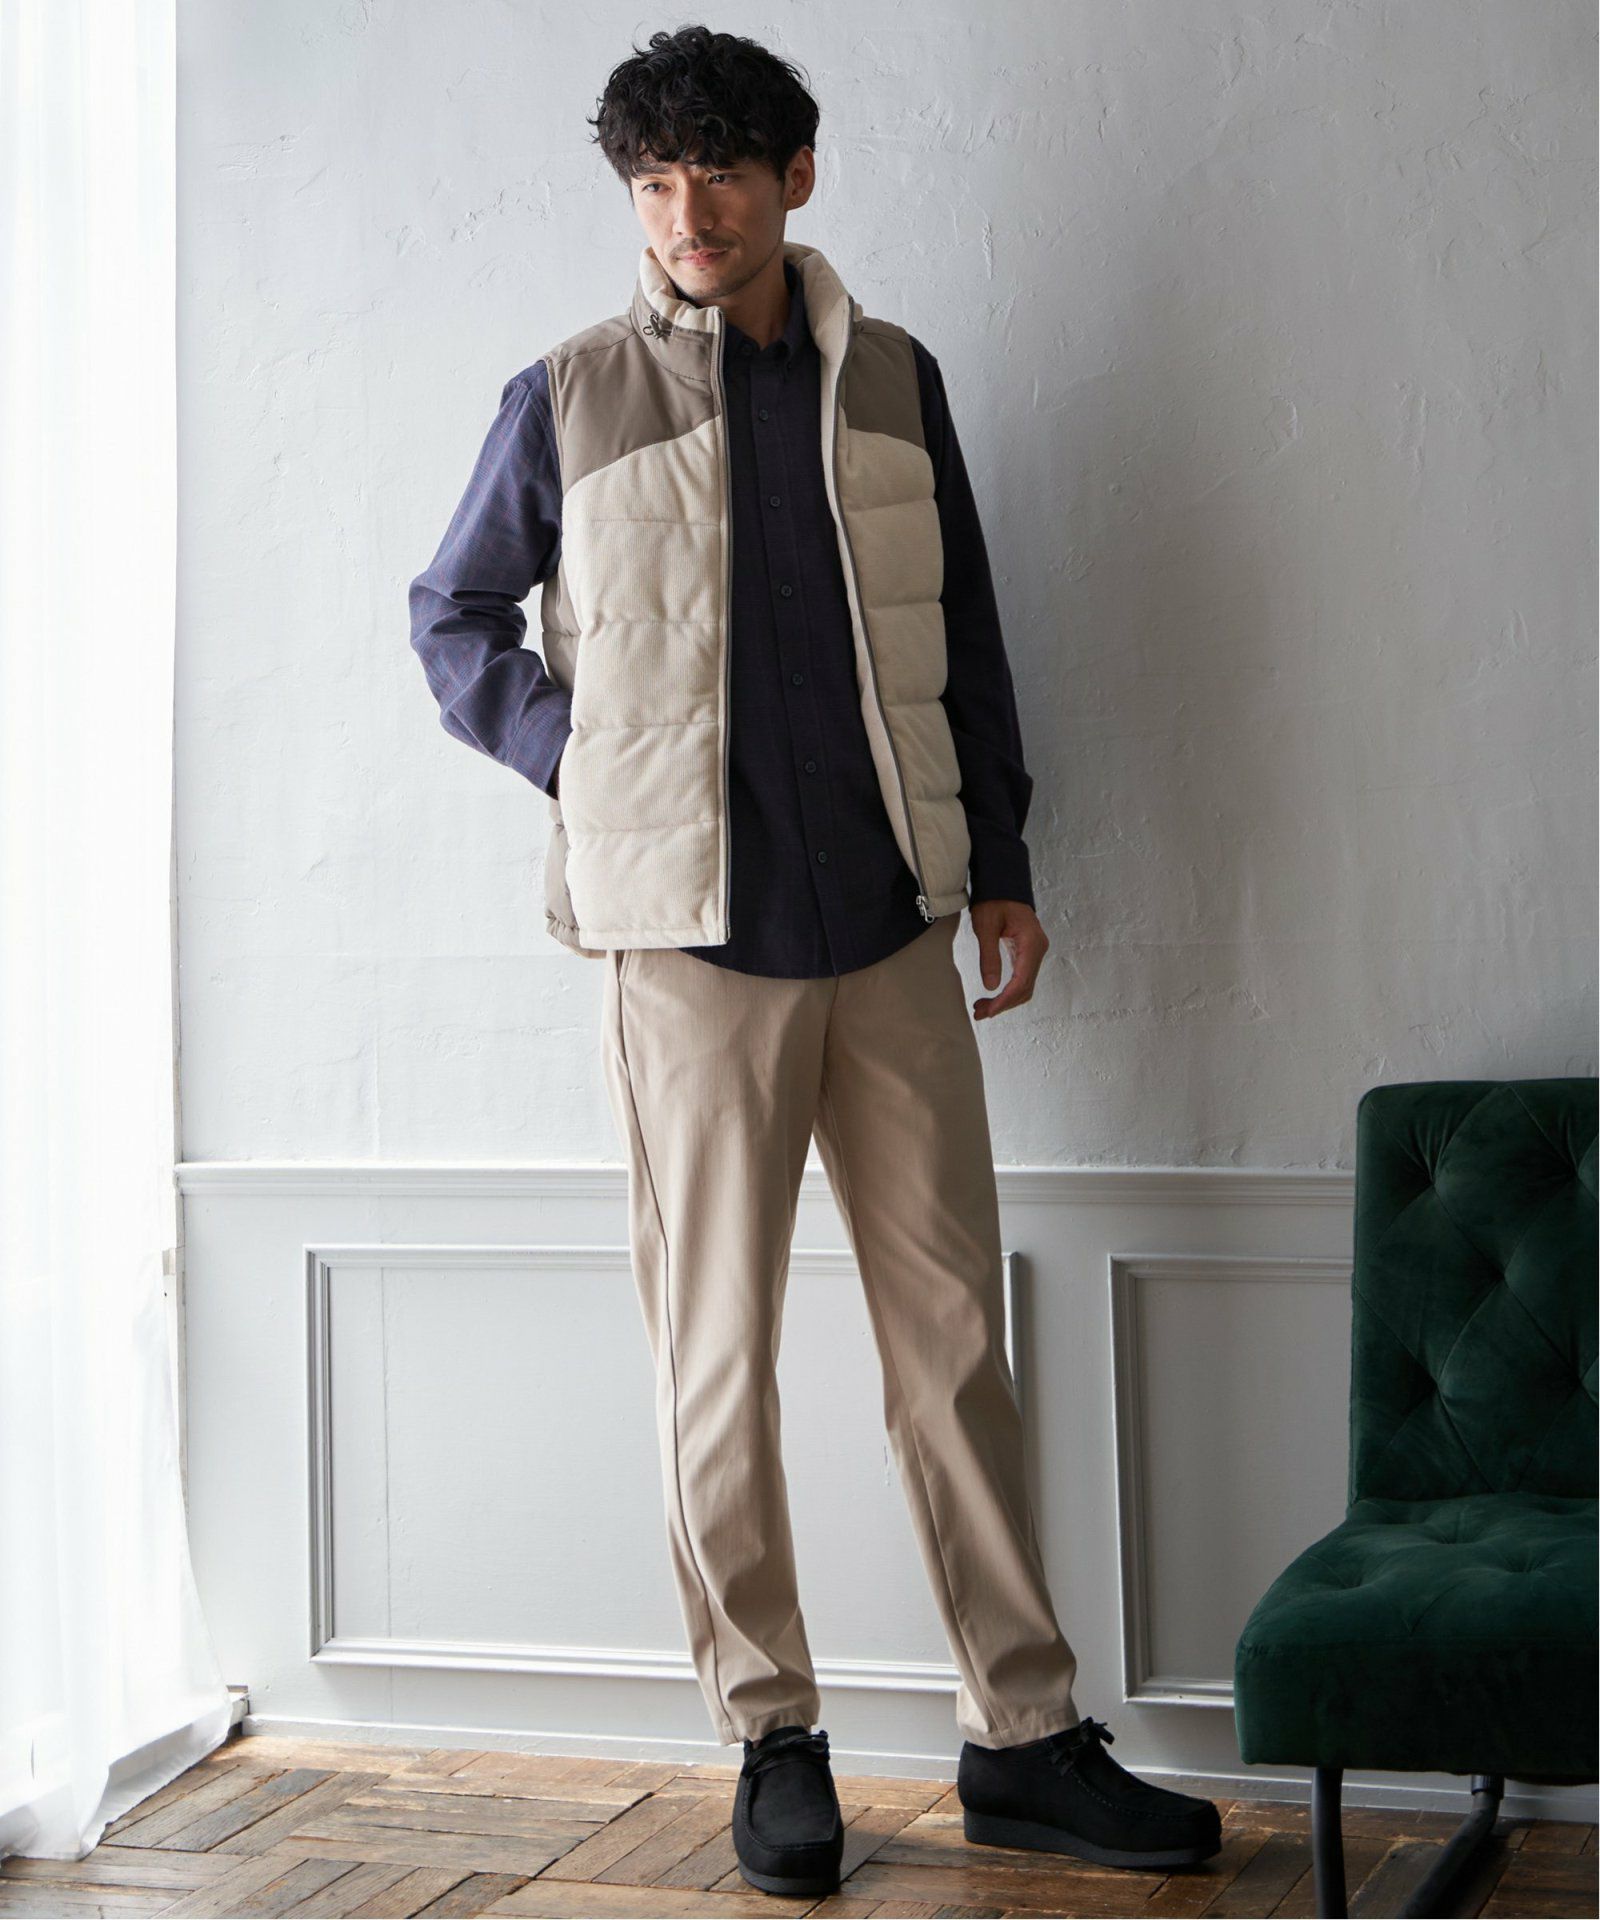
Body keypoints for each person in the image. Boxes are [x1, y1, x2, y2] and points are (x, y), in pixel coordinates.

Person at [408, 23, 1221, 1900]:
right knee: (720, 1362)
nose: (686, 214)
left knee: (956, 1350)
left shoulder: (897, 381)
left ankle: (1025, 1737)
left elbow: (971, 629)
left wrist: (1001, 861)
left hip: (895, 931)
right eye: (653, 182)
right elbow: (452, 620)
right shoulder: (569, 395)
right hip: (688, 954)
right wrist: (581, 757)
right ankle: (774, 1736)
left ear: (797, 175)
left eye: (720, 173)